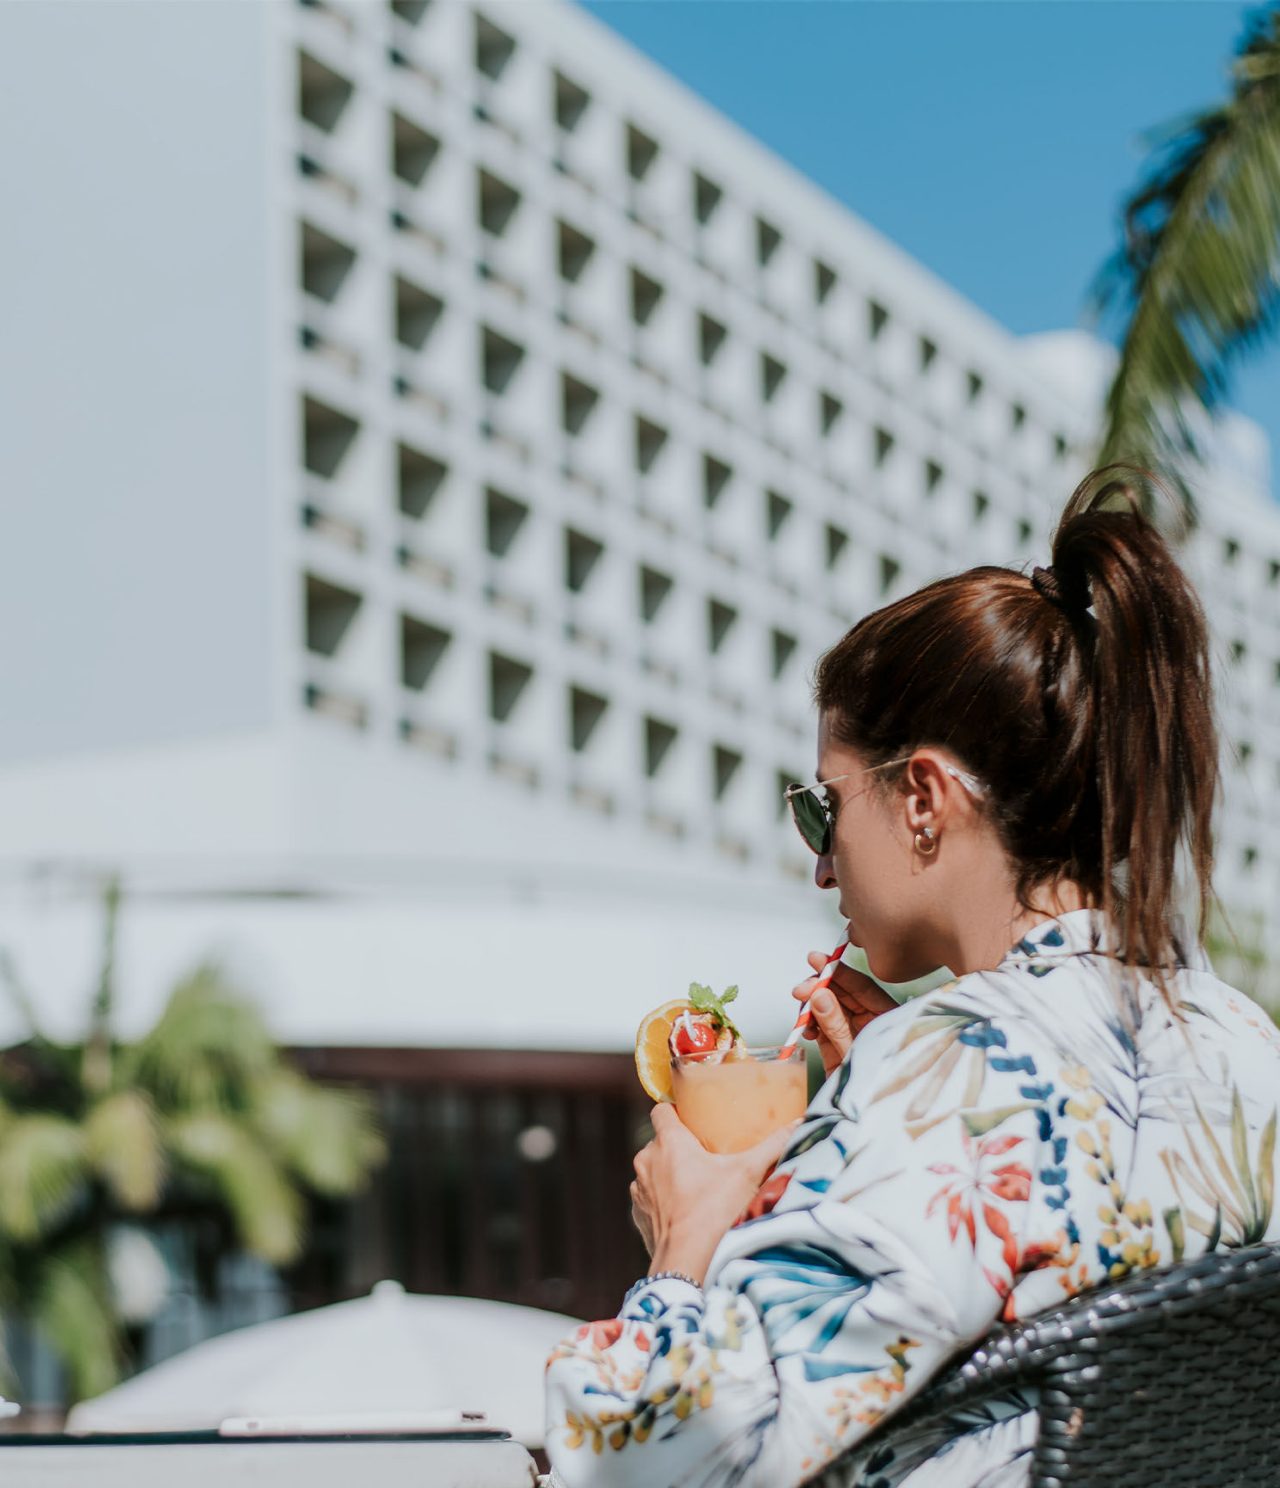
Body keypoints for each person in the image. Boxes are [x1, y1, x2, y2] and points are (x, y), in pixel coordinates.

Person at [543, 469, 1280, 1487]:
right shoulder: (1242, 1042)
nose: (817, 860)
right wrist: (867, 1107)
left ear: (922, 797)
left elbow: (657, 1463)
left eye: (821, 809)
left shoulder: (943, 1076)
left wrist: (681, 1249)